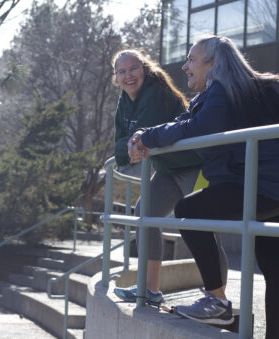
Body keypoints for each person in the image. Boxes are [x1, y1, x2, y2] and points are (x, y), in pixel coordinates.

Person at [128, 36, 279, 338]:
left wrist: (147, 137)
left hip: (259, 182)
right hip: (278, 184)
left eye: (191, 59)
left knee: (188, 210)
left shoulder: (222, 89)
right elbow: (184, 121)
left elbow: (198, 128)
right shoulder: (230, 91)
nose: (185, 66)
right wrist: (145, 134)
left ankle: (217, 302)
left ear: (213, 63)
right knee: (276, 271)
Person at [111, 49, 228, 306]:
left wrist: (135, 144)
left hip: (194, 166)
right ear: (116, 77)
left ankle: (218, 298)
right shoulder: (124, 100)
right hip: (166, 170)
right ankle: (151, 290)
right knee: (146, 214)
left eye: (133, 69)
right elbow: (119, 145)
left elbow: (146, 132)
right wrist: (131, 147)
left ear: (144, 70)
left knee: (206, 227)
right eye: (122, 72)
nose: (128, 76)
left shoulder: (155, 92)